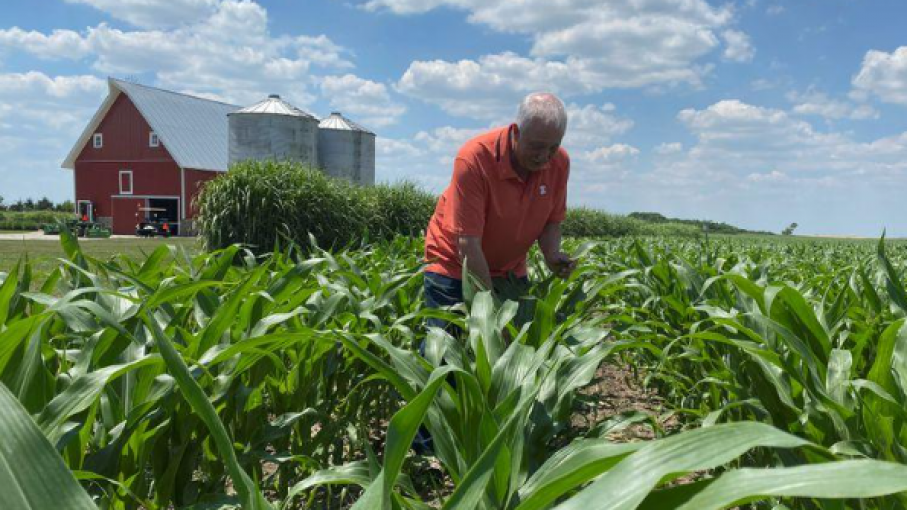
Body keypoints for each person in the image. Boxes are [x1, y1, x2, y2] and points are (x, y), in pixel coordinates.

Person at [423, 92, 577, 330]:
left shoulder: (560, 162)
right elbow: (467, 244)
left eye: (553, 147)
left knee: (517, 346)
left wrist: (552, 254)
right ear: (516, 132)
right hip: (454, 267)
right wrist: (490, 309)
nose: (544, 157)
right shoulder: (475, 158)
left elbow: (551, 221)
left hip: (510, 271)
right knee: (447, 349)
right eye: (536, 146)